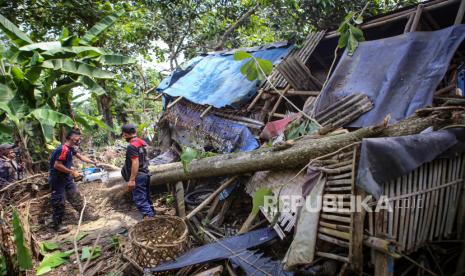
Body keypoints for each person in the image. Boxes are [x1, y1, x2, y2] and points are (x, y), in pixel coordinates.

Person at [48, 129, 98, 232]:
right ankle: (57, 225)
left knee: (75, 197)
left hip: (67, 178)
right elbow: (57, 165)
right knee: (59, 201)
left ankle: (86, 216)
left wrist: (93, 162)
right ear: (72, 138)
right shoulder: (63, 149)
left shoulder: (71, 149)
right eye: (78, 138)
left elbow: (80, 156)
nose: (80, 140)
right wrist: (72, 172)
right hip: (58, 180)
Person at [121, 124, 155, 219]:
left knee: (141, 201)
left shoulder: (132, 146)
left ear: (125, 135)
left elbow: (135, 162)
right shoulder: (142, 142)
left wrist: (132, 180)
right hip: (145, 174)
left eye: (124, 135)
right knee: (147, 199)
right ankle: (153, 217)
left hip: (139, 176)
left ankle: (151, 221)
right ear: (135, 132)